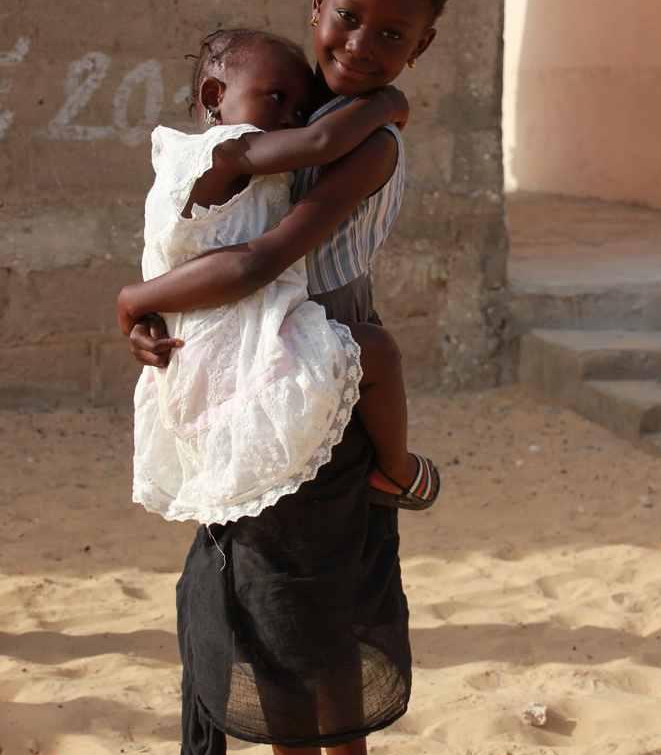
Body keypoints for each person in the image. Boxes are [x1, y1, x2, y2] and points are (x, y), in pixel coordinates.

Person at [121, 0, 457, 755]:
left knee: (282, 617)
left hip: (307, 392)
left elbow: (265, 258)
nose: (359, 44)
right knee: (335, 597)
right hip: (311, 386)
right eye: (347, 19)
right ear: (319, 4)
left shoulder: (367, 133)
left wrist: (138, 297)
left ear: (420, 46)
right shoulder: (302, 105)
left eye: (387, 34)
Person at [120, 27, 439, 526]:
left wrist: (140, 305)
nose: (291, 118)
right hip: (224, 340)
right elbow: (320, 141)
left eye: (300, 107)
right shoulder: (224, 151)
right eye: (277, 98)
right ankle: (397, 471)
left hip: (211, 338)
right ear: (214, 98)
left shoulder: (234, 167)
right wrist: (388, 103)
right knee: (378, 352)